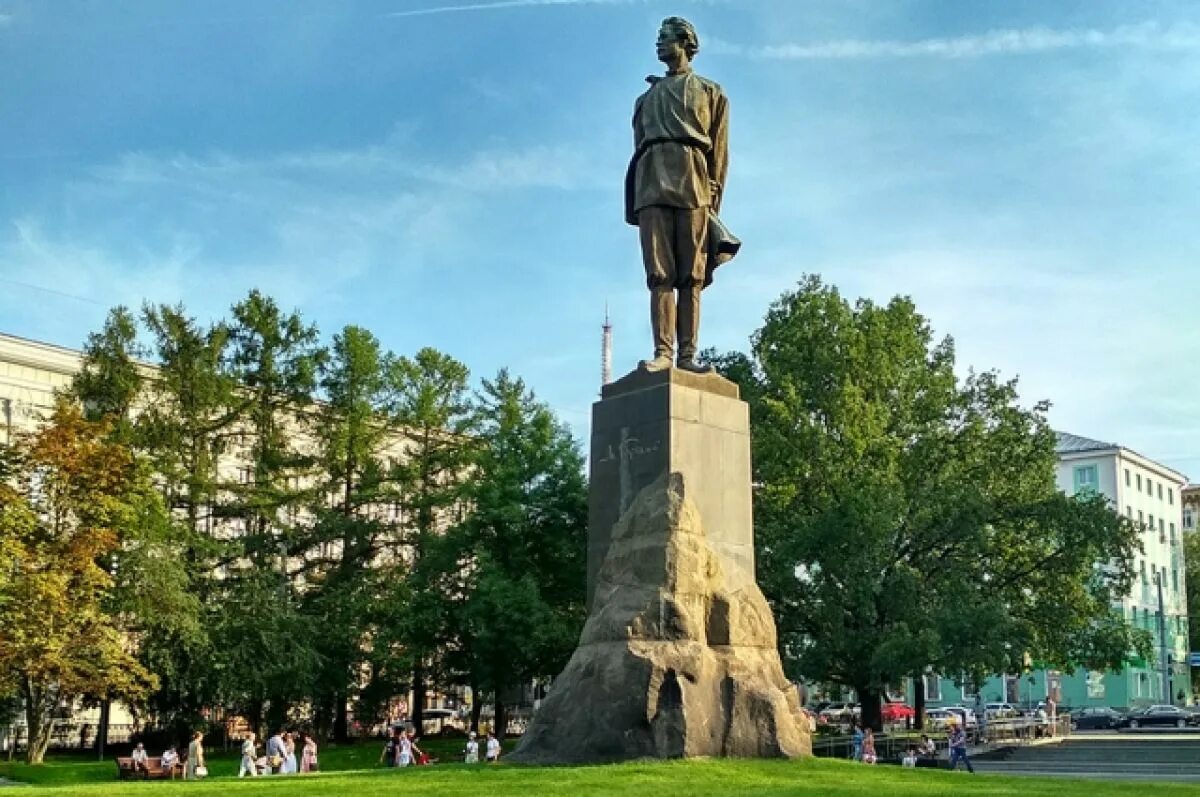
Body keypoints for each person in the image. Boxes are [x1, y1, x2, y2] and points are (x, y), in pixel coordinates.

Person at [626, 16, 737, 374]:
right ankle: (664, 353)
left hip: (694, 182)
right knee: (659, 273)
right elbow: (638, 146)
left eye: (665, 37)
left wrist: (713, 199)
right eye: (657, 37)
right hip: (651, 182)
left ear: (685, 42)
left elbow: (718, 154)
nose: (658, 43)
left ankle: (688, 356)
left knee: (692, 274)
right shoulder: (644, 99)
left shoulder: (711, 92)